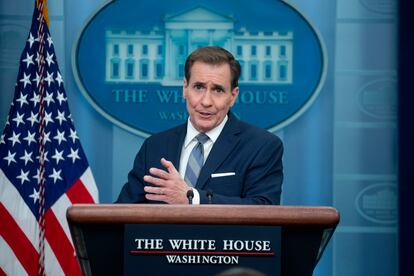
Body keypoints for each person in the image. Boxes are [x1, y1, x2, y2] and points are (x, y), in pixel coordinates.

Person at [116, 46, 283, 204]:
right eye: (198, 87)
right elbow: (124, 213)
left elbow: (262, 206)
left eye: (217, 90)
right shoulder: (154, 146)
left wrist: (192, 198)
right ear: (185, 88)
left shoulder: (261, 146)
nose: (206, 101)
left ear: (233, 96)